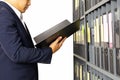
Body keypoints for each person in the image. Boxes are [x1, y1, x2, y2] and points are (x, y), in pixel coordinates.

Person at [0, 0, 66, 80]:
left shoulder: (8, 13)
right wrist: (50, 50)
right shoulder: (3, 14)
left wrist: (45, 45)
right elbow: (17, 53)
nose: (29, 3)